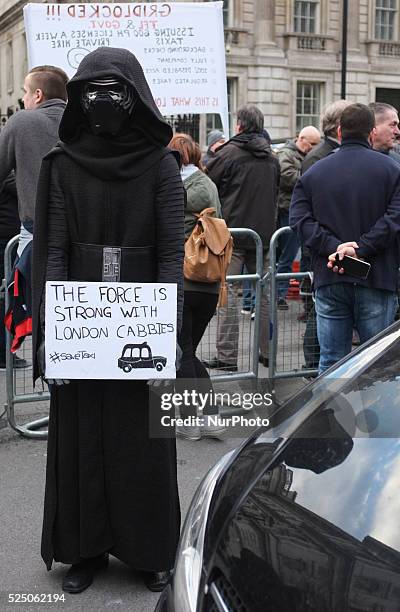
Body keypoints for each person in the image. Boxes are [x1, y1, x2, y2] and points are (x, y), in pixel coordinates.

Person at [31, 47, 184, 594]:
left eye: (113, 90)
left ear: (135, 96)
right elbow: (52, 254)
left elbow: (171, 255)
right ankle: (83, 548)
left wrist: (165, 340)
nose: (102, 102)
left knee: (142, 442)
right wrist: (52, 339)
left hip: (141, 325)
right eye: (91, 90)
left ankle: (150, 550)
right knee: (82, 440)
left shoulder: (161, 165)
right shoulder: (61, 164)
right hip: (82, 330)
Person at [290, 103, 400, 374]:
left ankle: (329, 417)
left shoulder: (316, 172)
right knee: (376, 365)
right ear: (372, 132)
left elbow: (299, 220)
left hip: (331, 275)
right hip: (376, 277)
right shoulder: (391, 170)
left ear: (339, 131)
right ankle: (371, 417)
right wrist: (360, 248)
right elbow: (395, 218)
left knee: (331, 361)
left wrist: (335, 247)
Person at [204, 104, 280, 370]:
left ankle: (227, 358)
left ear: (239, 125)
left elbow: (208, 183)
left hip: (233, 236)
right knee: (265, 296)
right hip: (265, 236)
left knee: (228, 297)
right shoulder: (272, 157)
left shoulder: (228, 154)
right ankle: (267, 352)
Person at [169, 133, 226, 441]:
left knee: (183, 351)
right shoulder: (209, 185)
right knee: (188, 351)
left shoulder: (177, 188)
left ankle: (190, 420)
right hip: (208, 282)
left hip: (182, 277)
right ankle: (211, 417)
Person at [0, 66, 68, 257]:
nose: (23, 99)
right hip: (84, 229)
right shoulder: (85, 123)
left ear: (38, 95)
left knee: (29, 284)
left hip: (35, 229)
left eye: (25, 92)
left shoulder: (21, 122)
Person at [276, 125, 320, 310]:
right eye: (311, 144)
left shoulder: (299, 155)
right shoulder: (286, 154)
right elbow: (286, 177)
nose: (313, 148)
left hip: (299, 210)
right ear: (301, 139)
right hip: (288, 210)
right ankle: (279, 294)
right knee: (287, 256)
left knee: (301, 256)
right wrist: (309, 177)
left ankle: (300, 294)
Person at [0, 173, 27, 368]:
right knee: (5, 296)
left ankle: (5, 352)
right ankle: (4, 354)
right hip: (6, 241)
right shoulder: (9, 180)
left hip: (8, 240)